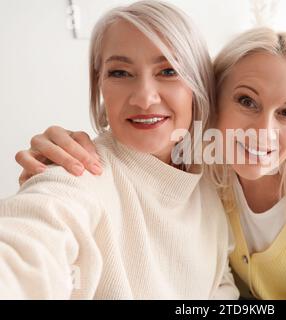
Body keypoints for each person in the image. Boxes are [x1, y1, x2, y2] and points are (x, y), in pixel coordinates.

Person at [15, 24, 286, 299]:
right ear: (212, 99)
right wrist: (60, 153)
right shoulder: (199, 168)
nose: (265, 131)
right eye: (246, 101)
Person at [0, 1, 239, 299]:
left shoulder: (208, 179)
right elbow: (26, 244)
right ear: (99, 84)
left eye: (168, 70)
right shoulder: (80, 171)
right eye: (121, 73)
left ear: (198, 83)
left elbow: (219, 283)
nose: (144, 98)